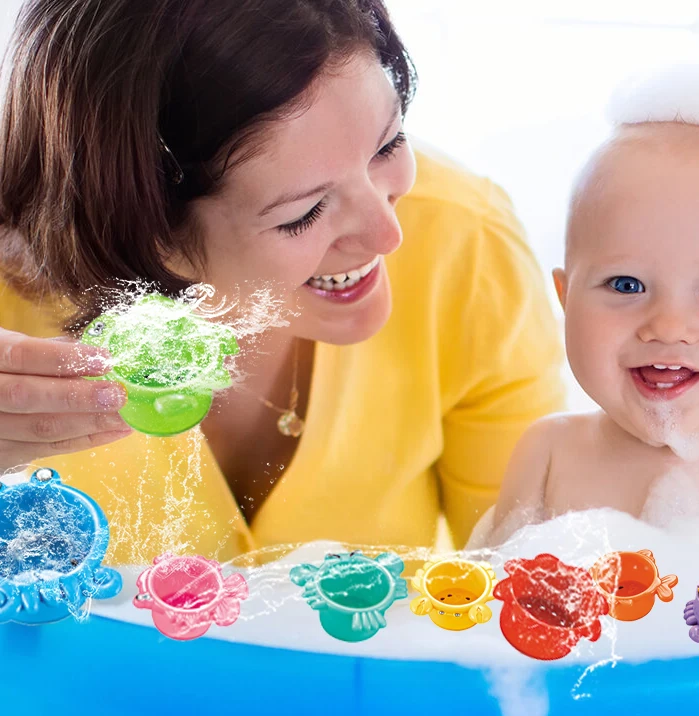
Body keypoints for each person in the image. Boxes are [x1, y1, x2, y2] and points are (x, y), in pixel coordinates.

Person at [0, 0, 565, 566]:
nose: (388, 233)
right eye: (305, 213)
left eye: (389, 145)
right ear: (140, 232)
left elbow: (526, 577)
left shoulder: (466, 244)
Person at [478, 68, 699, 585]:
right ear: (565, 299)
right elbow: (491, 623)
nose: (669, 326)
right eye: (626, 285)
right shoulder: (549, 454)